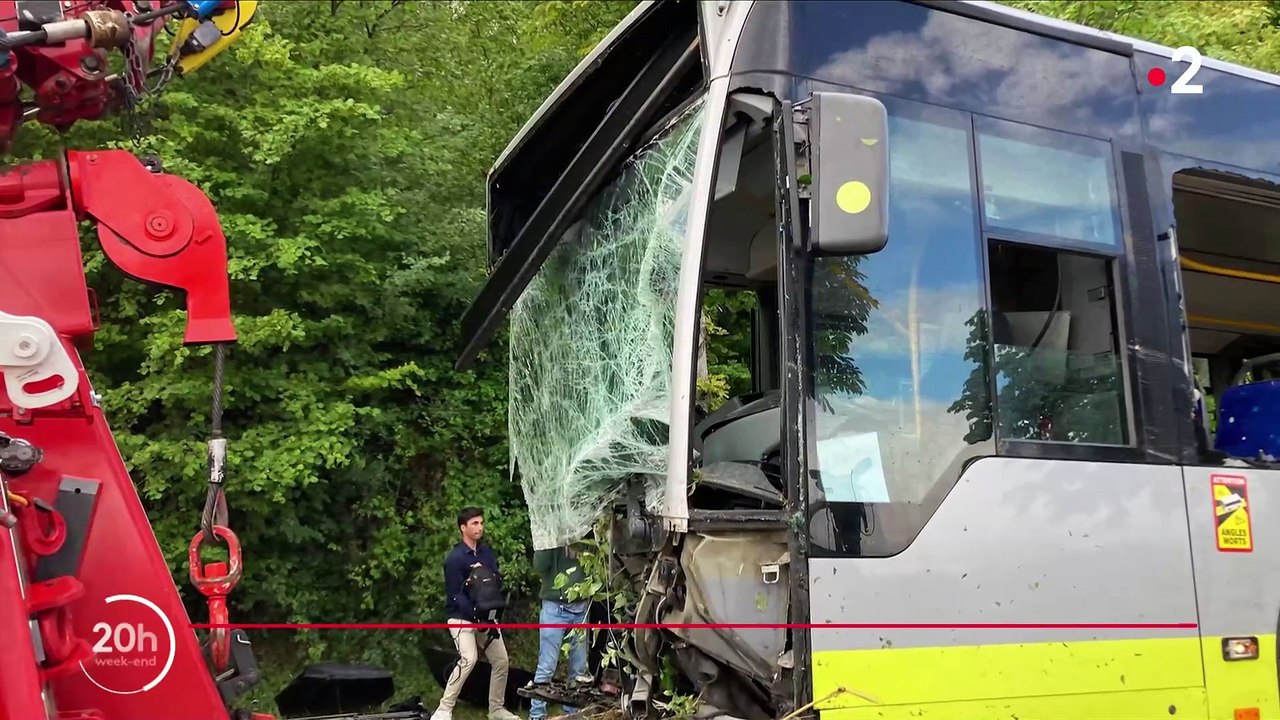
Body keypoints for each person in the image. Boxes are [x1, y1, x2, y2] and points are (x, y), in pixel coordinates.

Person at [431, 507, 520, 720]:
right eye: (474, 523)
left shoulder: (486, 553)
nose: (480, 527)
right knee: (469, 659)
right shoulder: (454, 559)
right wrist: (473, 613)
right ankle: (444, 709)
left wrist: (485, 574)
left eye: (481, 523)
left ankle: (496, 709)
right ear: (463, 528)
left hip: (486, 617)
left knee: (501, 661)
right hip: (461, 617)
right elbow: (453, 594)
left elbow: (497, 581)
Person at [527, 542, 592, 720]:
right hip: (555, 608)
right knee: (547, 666)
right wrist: (547, 543)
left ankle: (572, 713)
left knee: (578, 668)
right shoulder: (552, 539)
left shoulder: (588, 538)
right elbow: (539, 566)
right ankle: (537, 715)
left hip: (581, 608)